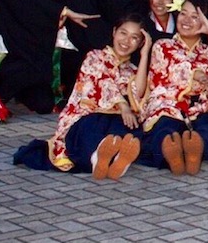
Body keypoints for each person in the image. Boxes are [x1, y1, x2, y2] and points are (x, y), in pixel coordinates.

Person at [13, 16, 150, 180]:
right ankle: (99, 158)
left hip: (115, 118)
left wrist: (145, 54)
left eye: (134, 38)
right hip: (87, 116)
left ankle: (112, 159)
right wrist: (122, 105)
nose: (127, 41)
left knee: (129, 129)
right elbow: (103, 82)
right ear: (114, 32)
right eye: (123, 33)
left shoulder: (131, 69)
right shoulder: (94, 56)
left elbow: (139, 92)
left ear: (140, 43)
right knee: (92, 130)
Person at [138, 0, 208, 175]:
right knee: (166, 127)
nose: (186, 20)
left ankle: (191, 151)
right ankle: (174, 154)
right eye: (183, 14)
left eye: (195, 17)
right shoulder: (163, 45)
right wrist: (195, 74)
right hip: (170, 103)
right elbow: (170, 71)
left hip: (199, 107)